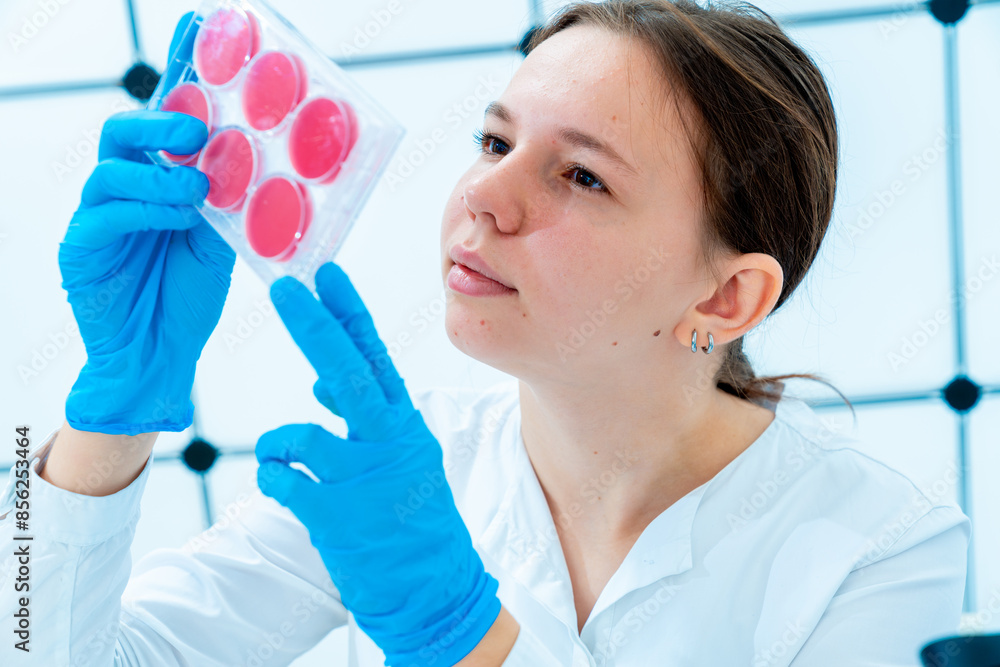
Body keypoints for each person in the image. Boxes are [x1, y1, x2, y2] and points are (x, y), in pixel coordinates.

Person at [0, 0, 971, 665]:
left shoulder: (880, 551)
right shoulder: (412, 473)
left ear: (725, 299)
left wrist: (460, 632)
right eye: (497, 142)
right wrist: (110, 406)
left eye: (580, 175)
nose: (482, 196)